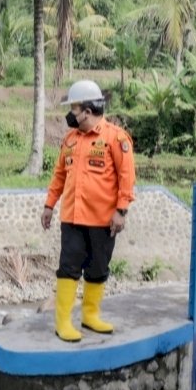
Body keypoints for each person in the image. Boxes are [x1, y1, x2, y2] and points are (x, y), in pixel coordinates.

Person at [41, 80, 136, 342]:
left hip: (103, 220)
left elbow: (126, 177)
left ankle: (90, 316)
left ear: (88, 109)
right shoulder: (70, 139)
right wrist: (49, 205)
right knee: (68, 268)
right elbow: (59, 174)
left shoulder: (115, 138)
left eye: (74, 107)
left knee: (97, 268)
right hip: (72, 218)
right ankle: (62, 322)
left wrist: (122, 211)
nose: (71, 113)